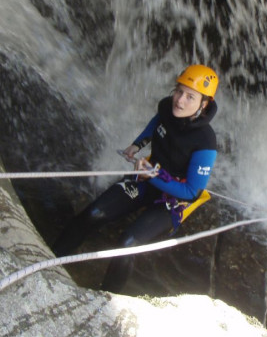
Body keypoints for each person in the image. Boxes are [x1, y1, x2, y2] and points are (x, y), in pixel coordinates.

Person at [52, 64, 219, 293]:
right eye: (179, 91)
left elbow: (192, 192)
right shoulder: (167, 110)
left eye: (190, 97)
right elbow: (155, 125)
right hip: (148, 178)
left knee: (128, 242)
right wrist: (137, 144)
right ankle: (50, 258)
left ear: (204, 104)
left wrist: (150, 176)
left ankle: (107, 297)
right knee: (93, 213)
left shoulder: (205, 142)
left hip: (172, 198)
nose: (180, 101)